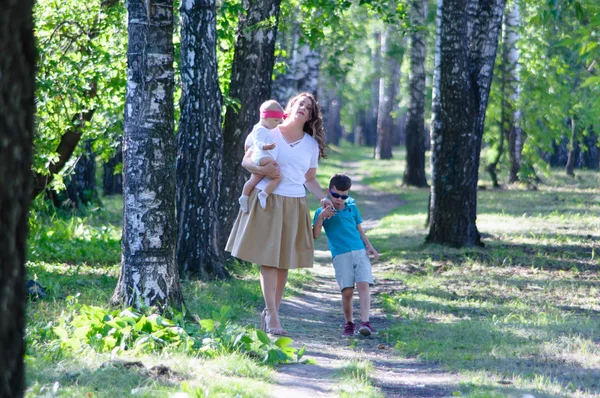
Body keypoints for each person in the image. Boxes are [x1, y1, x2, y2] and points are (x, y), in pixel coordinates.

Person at [226, 92, 332, 336]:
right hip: (267, 199)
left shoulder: (311, 144)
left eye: (308, 107)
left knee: (283, 263)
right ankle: (272, 313)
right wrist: (266, 172)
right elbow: (246, 161)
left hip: (294, 203)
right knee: (269, 260)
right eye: (300, 104)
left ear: (310, 116)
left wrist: (322, 197)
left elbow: (310, 178)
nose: (303, 108)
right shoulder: (268, 131)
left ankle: (272, 312)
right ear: (290, 107)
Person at [312, 174, 380, 337]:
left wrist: (369, 246)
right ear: (329, 191)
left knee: (363, 285)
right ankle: (349, 323)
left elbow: (359, 230)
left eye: (344, 196)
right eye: (336, 195)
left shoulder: (352, 208)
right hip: (340, 255)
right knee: (347, 291)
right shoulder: (321, 211)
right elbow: (315, 235)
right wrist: (321, 217)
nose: (339, 199)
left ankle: (365, 322)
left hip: (359, 251)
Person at [238, 100, 284, 212]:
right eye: (275, 120)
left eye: (279, 120)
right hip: (261, 156)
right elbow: (257, 143)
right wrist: (266, 147)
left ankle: (244, 196)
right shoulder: (260, 129)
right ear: (265, 118)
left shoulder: (266, 128)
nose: (277, 123)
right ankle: (264, 194)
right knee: (277, 174)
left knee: (253, 180)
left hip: (260, 158)